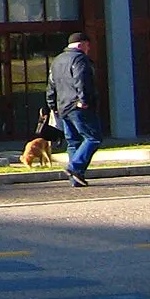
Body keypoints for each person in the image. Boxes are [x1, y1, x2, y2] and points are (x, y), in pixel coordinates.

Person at [46, 32, 103, 187]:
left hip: (62, 106)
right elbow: (82, 79)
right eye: (88, 45)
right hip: (78, 106)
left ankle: (76, 179)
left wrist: (52, 105)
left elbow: (51, 85)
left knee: (73, 142)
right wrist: (83, 100)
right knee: (93, 137)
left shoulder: (57, 61)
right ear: (81, 44)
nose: (89, 48)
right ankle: (75, 168)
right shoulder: (79, 59)